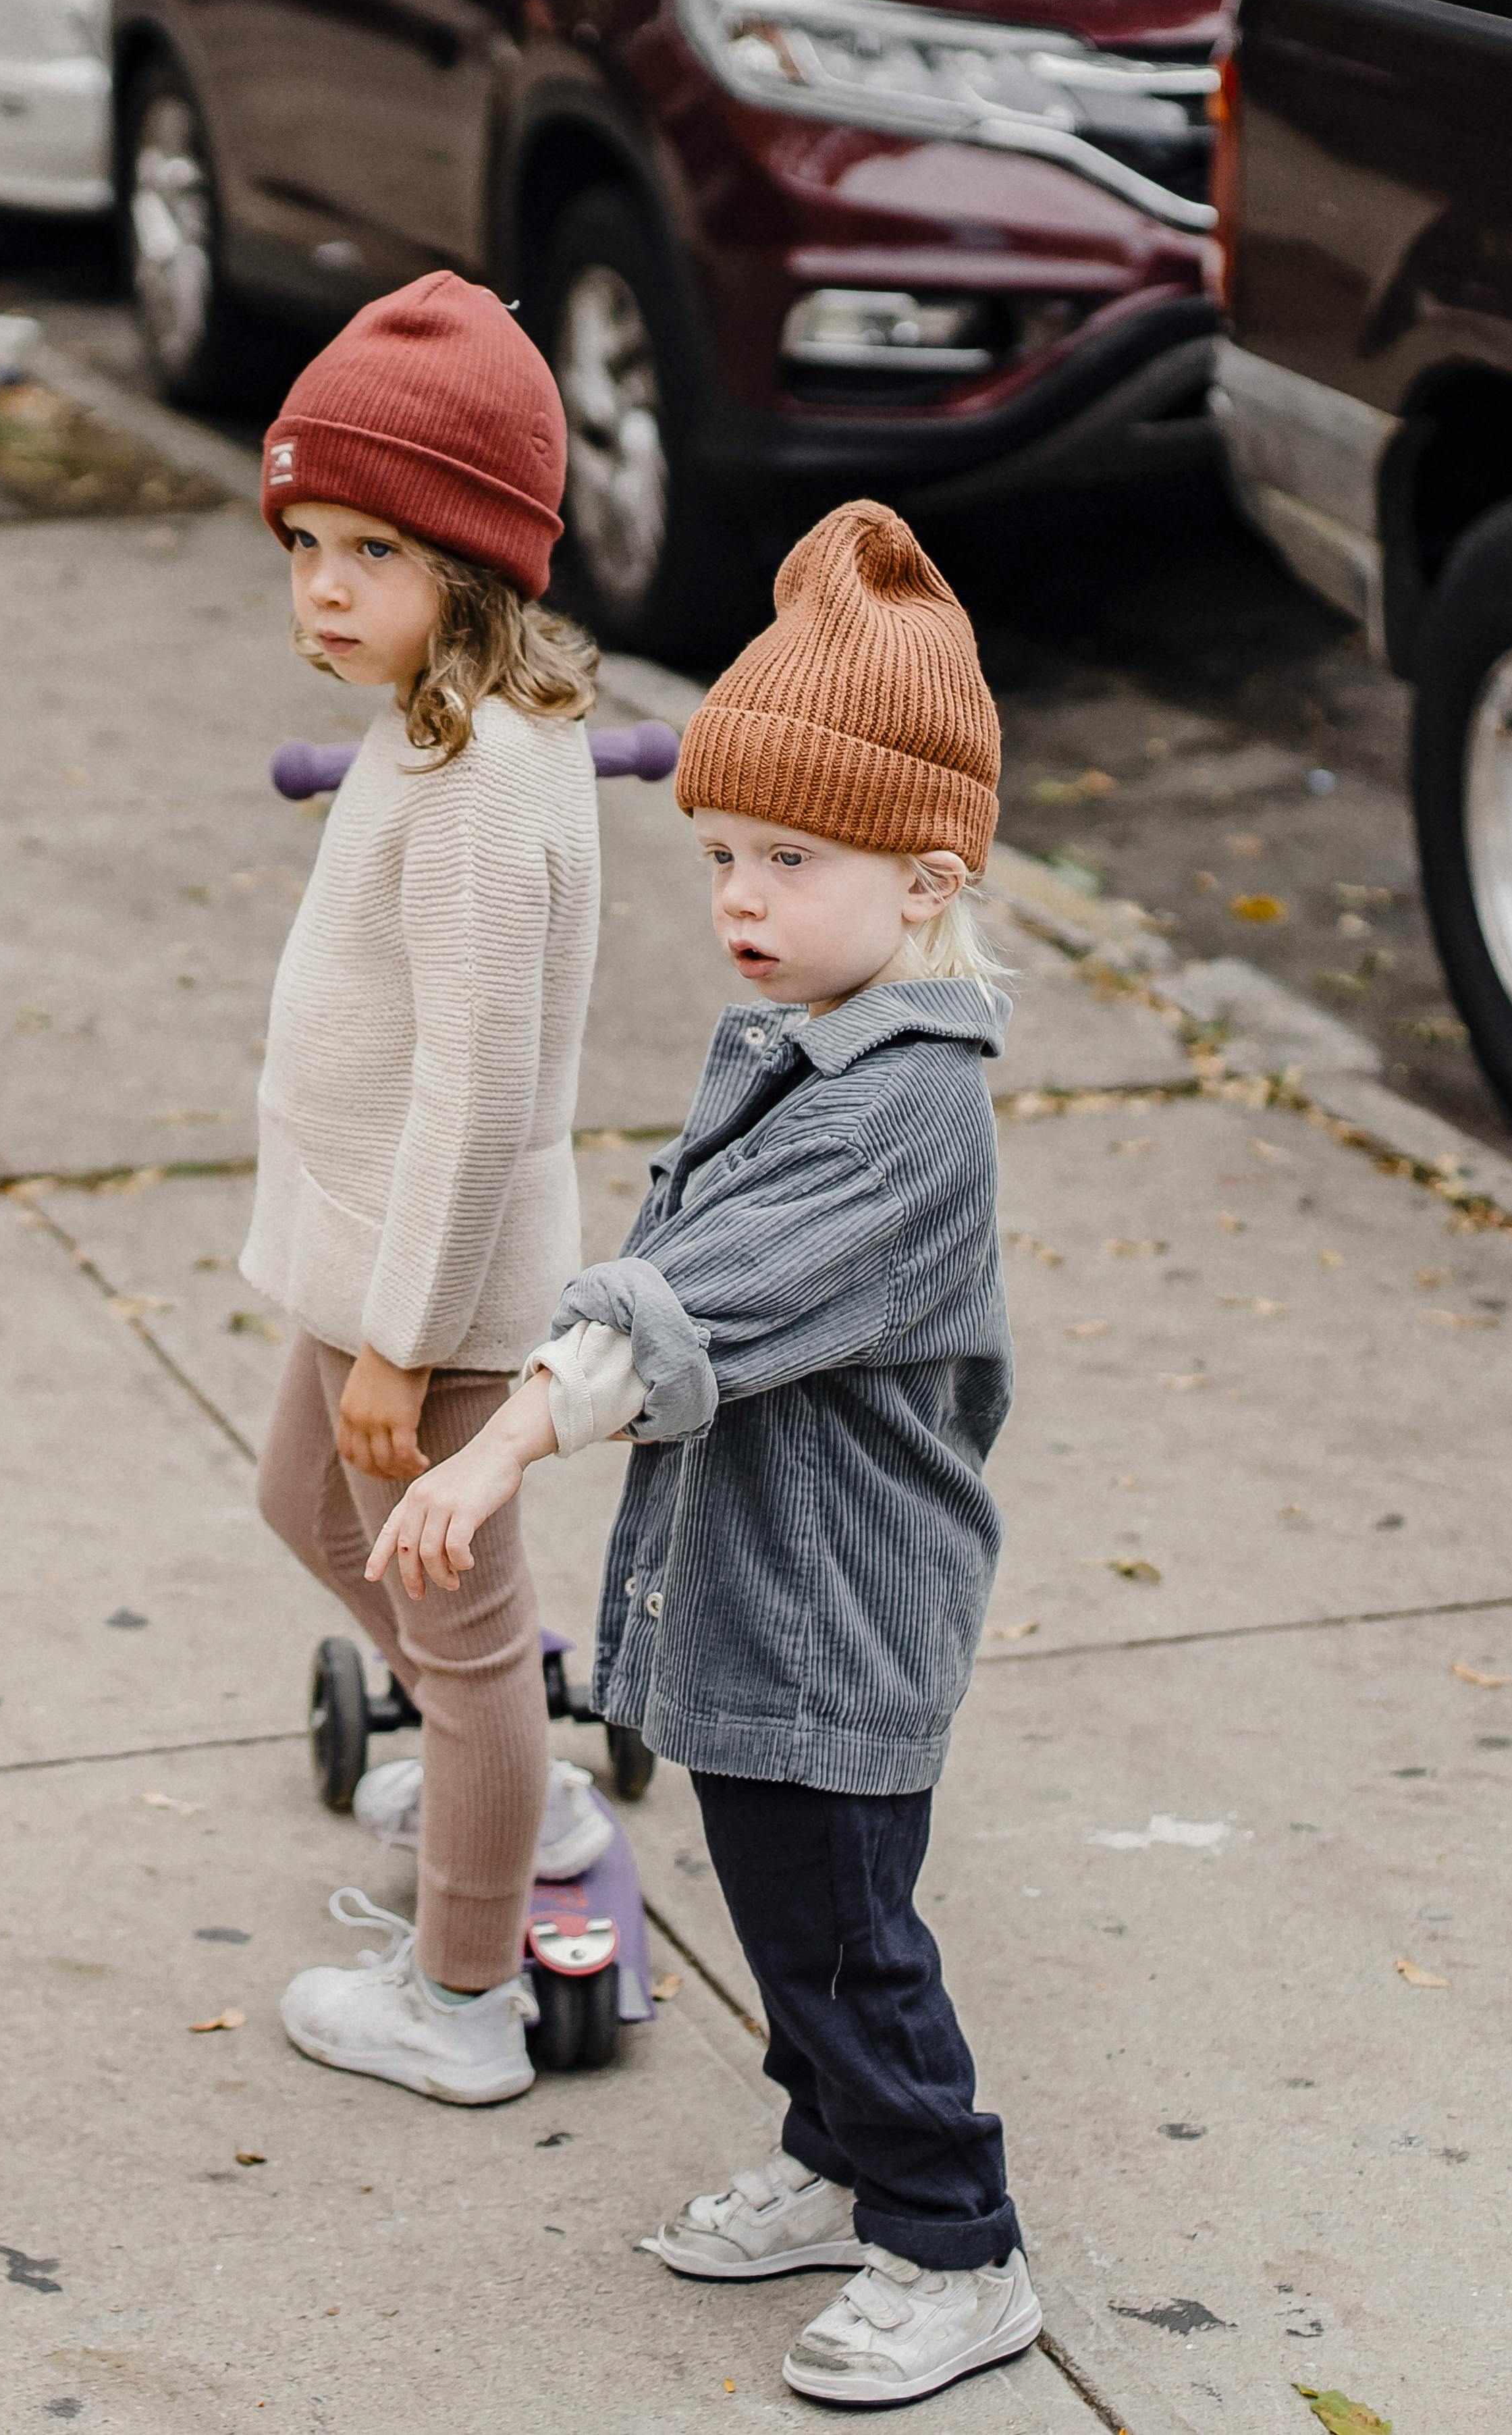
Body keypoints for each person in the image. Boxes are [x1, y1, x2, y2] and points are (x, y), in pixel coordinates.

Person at [364, 501, 1040, 2406]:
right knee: (788, 1916)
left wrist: (490, 1454)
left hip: (833, 1622)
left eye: (790, 857)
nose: (738, 894)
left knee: (841, 1944)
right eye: (723, 853)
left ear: (925, 876)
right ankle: (834, 2161)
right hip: (760, 1602)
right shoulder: (809, 1036)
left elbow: (683, 1314)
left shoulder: (899, 1116)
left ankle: (952, 2237)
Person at [236, 273, 609, 2108]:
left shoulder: (482, 789)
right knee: (305, 1505)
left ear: (471, 565)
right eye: (302, 539)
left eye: (368, 547)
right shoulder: (430, 733)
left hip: (432, 1291)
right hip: (365, 1253)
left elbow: (471, 1095)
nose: (319, 585)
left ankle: (462, 1996)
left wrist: (399, 1343)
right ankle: (502, 1760)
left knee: (456, 1635)